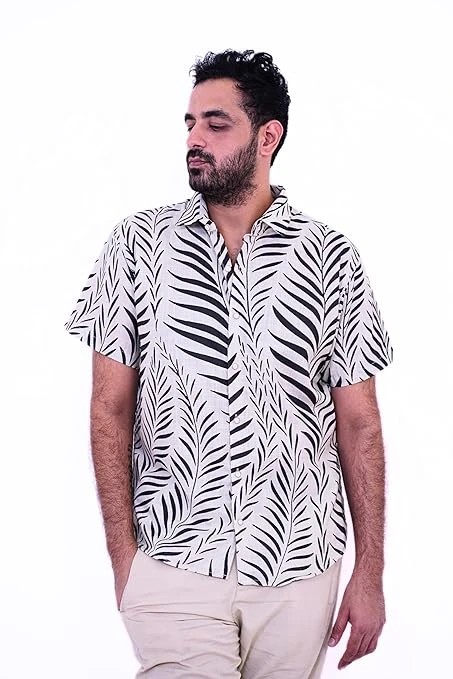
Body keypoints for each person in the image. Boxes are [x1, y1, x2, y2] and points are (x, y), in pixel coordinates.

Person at [65, 49, 393, 678]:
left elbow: (360, 424)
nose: (195, 139)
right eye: (190, 123)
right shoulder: (137, 246)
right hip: (172, 559)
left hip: (300, 564)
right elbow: (108, 408)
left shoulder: (331, 257)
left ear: (268, 137)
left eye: (216, 124)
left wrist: (370, 573)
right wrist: (124, 560)